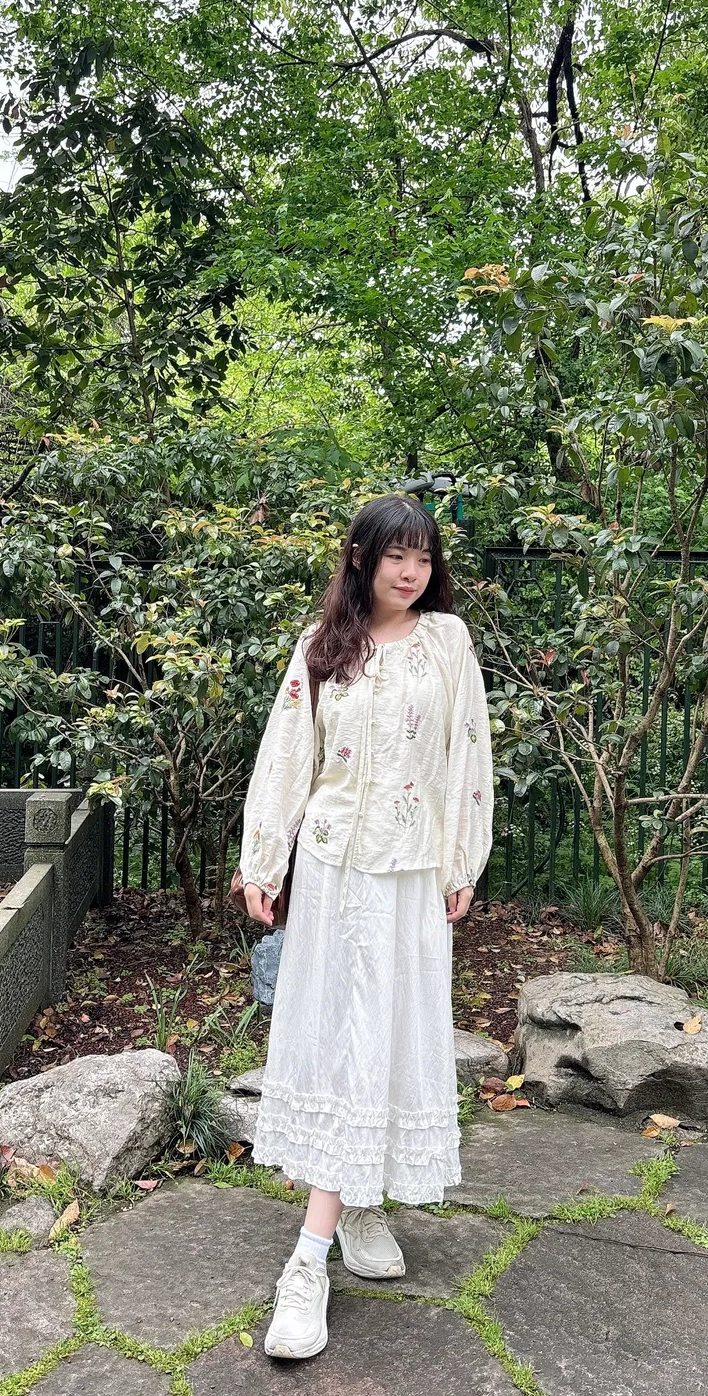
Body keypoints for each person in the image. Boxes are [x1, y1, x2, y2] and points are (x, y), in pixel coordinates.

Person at [239, 493, 494, 1360]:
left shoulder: (447, 642)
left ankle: (356, 1208)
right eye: (395, 555)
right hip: (334, 871)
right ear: (360, 558)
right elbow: (287, 755)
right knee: (337, 1040)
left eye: (423, 557)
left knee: (383, 1035)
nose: (411, 572)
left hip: (410, 873)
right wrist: (264, 859)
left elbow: (468, 753)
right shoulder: (323, 646)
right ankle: (310, 1258)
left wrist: (461, 863)